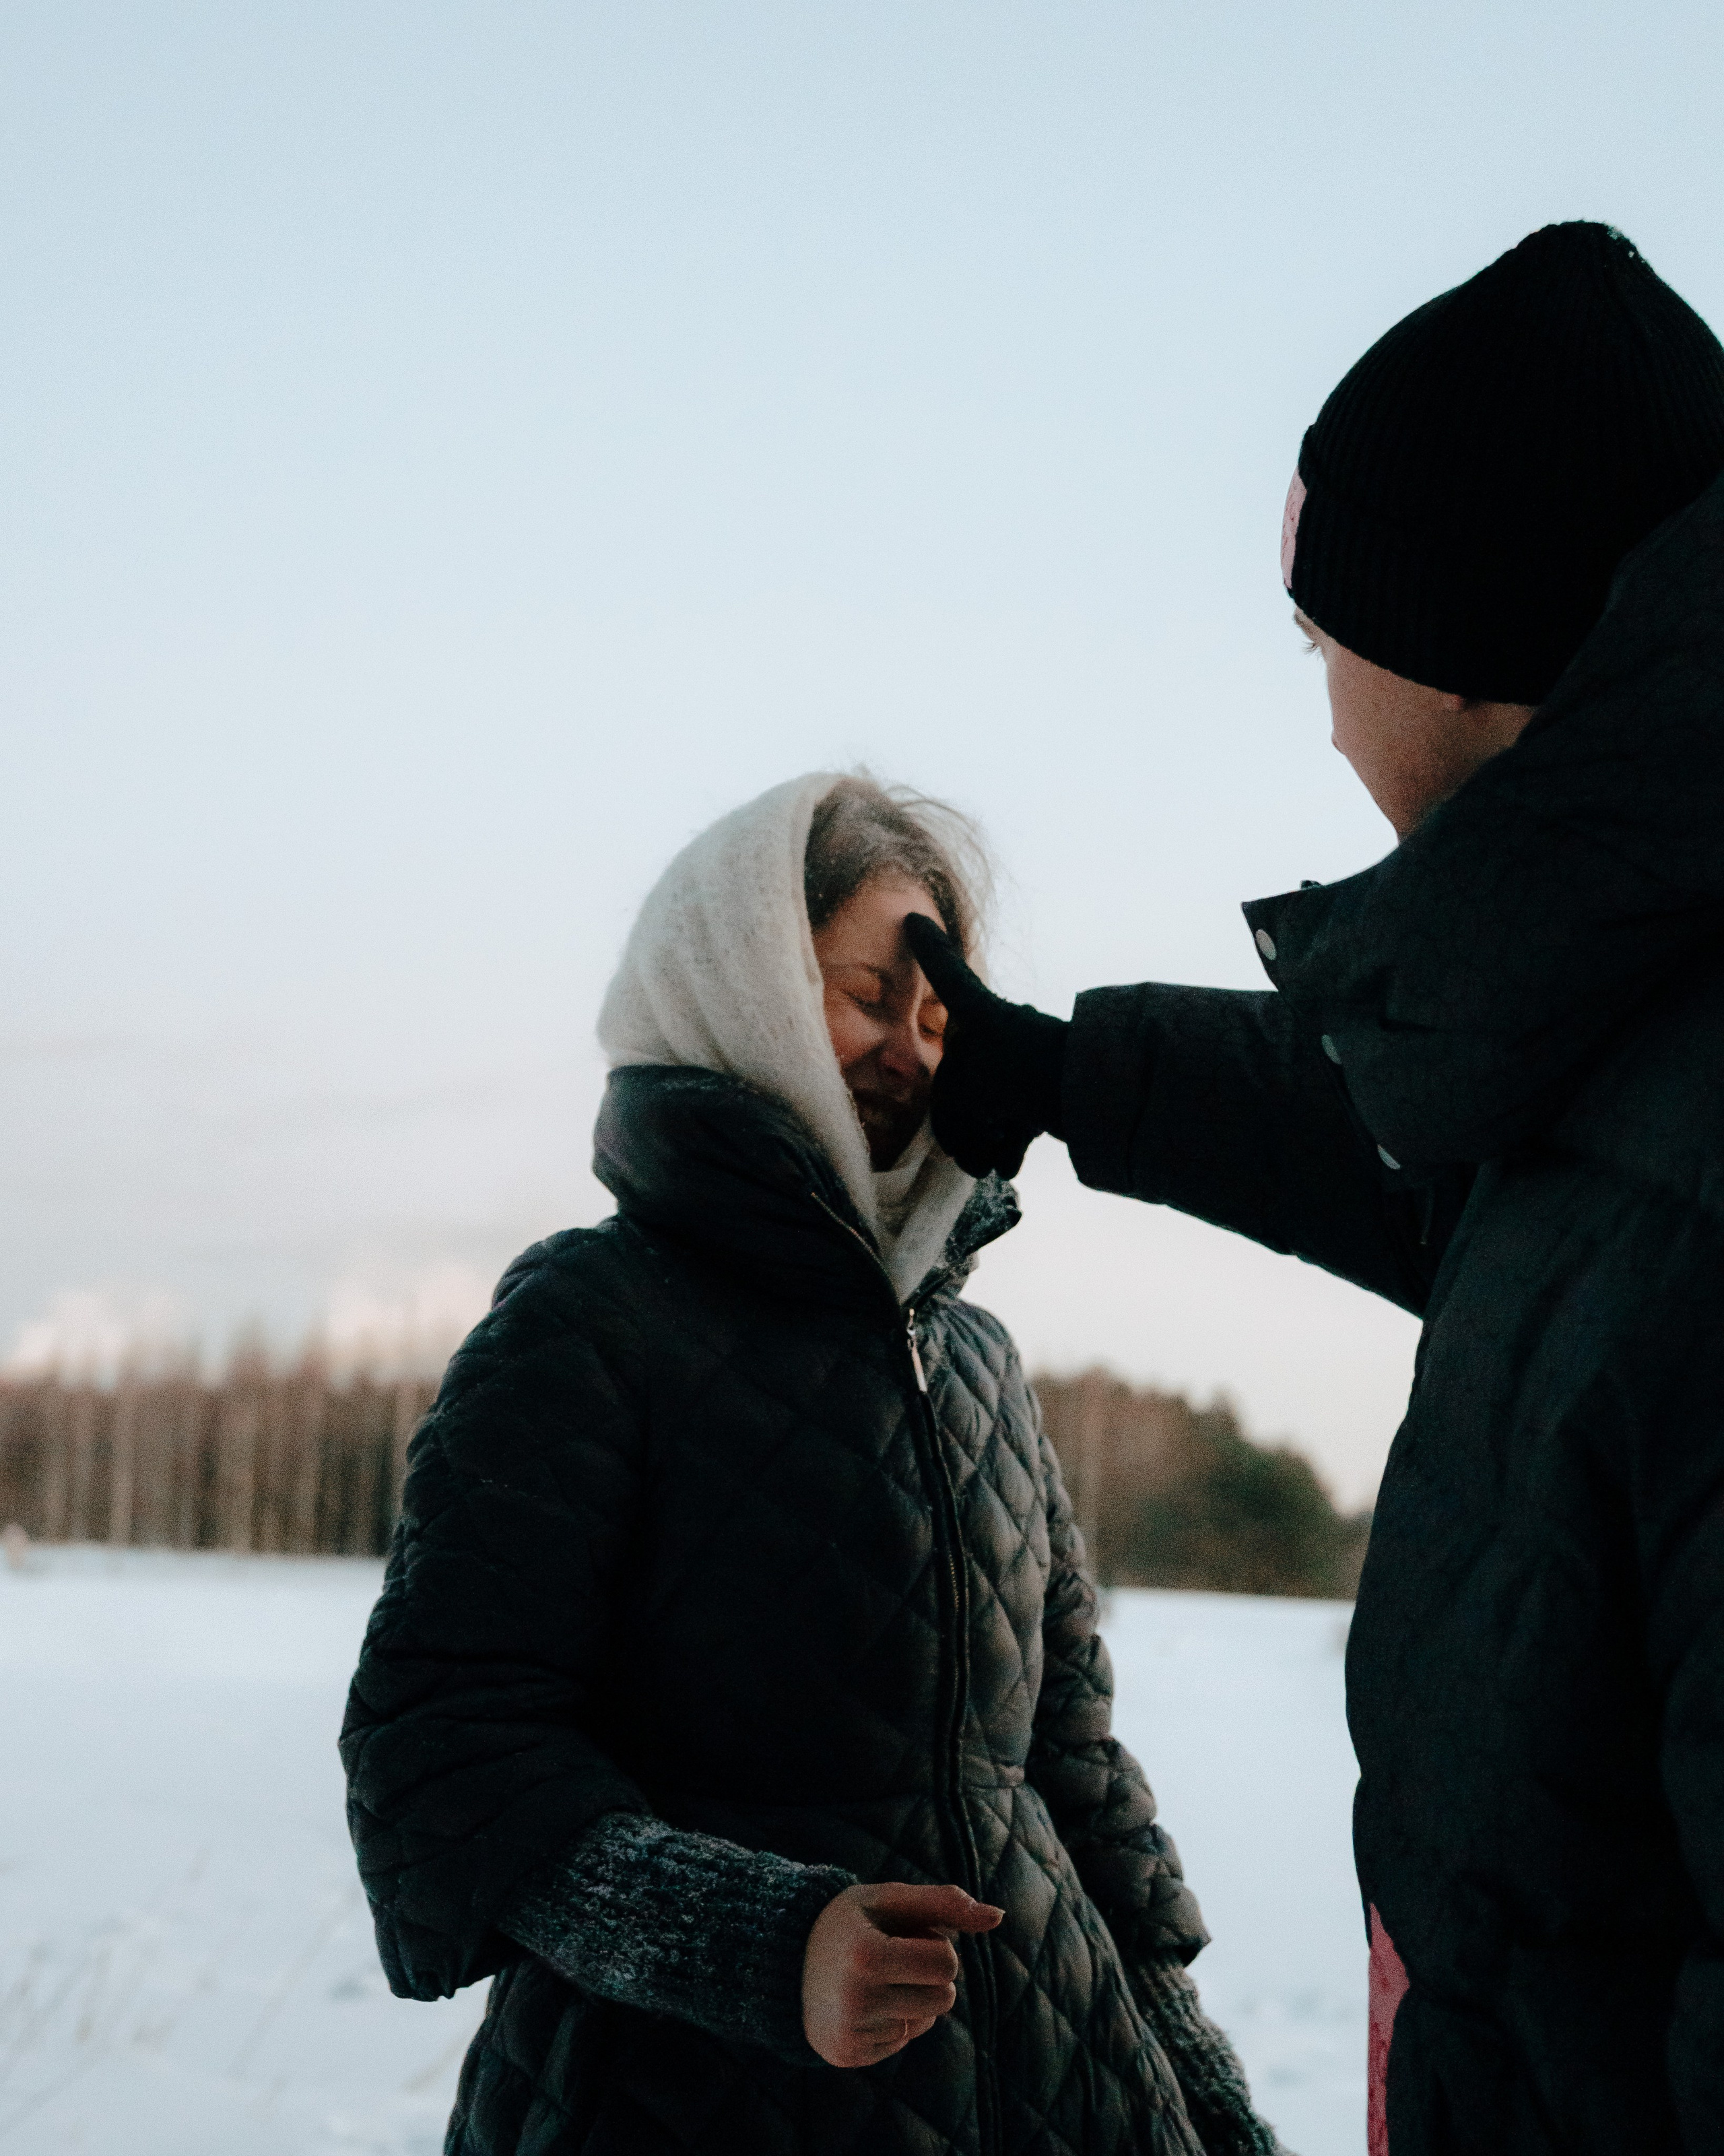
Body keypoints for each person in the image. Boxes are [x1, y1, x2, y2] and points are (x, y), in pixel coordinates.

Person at [904, 221, 1724, 2156]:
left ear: (1469, 647)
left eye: (1324, 640)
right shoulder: (1627, 1033)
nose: (1323, 704)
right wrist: (1058, 1068)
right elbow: (1421, 1135)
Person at [340, 773, 1283, 2156]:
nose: (904, 1046)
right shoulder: (587, 1318)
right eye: (858, 992)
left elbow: (1063, 1765)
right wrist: (761, 1945)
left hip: (1051, 2087)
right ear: (736, 983)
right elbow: (445, 1751)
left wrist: (1198, 2088)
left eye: (935, 1012)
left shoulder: (976, 1358)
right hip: (685, 2100)